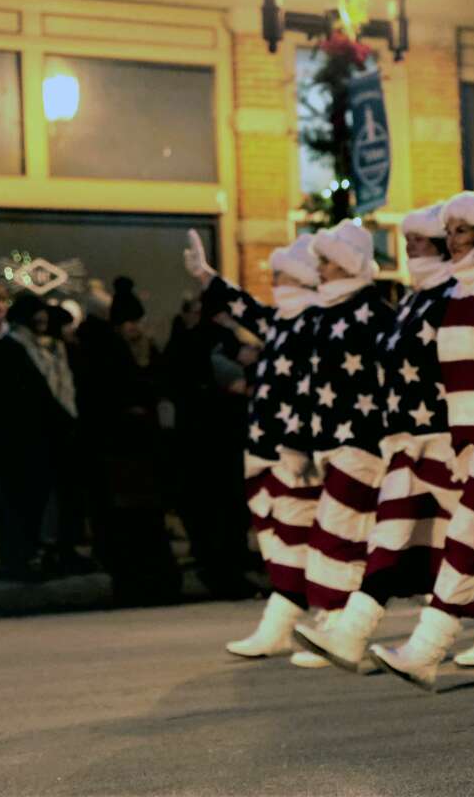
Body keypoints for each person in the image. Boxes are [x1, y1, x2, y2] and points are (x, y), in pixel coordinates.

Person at [369, 191, 474, 689]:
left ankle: (427, 648)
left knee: (467, 539)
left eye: (461, 231)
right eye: (450, 233)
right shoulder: (464, 293)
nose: (453, 241)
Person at [293, 204, 462, 671]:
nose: (409, 248)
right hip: (406, 439)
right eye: (406, 241)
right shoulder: (412, 299)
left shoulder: (453, 293)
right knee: (388, 536)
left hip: (447, 437)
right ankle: (353, 631)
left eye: (420, 240)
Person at [184, 231, 332, 660]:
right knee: (276, 537)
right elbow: (246, 309)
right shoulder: (284, 321)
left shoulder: (316, 323)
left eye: (284, 274)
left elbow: (315, 390)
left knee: (308, 535)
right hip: (265, 445)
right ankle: (282, 620)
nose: (275, 282)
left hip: (296, 449)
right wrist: (207, 277)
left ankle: (330, 618)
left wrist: (302, 443)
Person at [276, 220, 393, 668]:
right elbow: (307, 386)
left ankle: (341, 620)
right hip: (331, 439)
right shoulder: (327, 313)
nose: (319, 269)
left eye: (326, 260)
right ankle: (335, 618)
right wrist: (298, 439)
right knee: (340, 529)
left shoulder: (371, 312)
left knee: (341, 529)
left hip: (361, 441)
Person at [85, 277, 180, 605]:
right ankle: (140, 581)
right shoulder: (111, 352)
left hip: (139, 451)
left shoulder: (142, 349)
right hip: (123, 450)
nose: (133, 328)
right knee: (132, 520)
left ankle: (146, 582)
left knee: (140, 518)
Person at [163, 296, 257, 599]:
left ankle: (222, 565)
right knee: (223, 510)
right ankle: (225, 570)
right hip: (217, 438)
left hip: (208, 439)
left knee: (217, 510)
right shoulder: (208, 344)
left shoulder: (193, 343)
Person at [0, 293, 80, 580]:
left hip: (45, 439)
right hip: (25, 442)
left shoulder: (52, 351)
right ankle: (24, 557)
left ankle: (40, 553)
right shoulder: (9, 350)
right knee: (25, 502)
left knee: (42, 501)